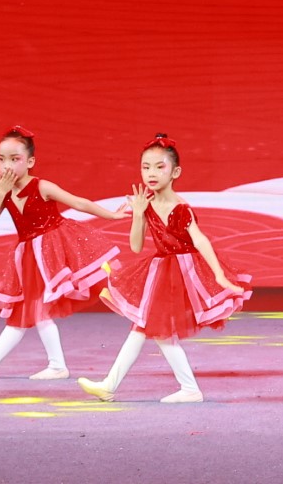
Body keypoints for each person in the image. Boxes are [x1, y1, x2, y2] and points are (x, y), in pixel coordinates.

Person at [79, 134, 251, 403]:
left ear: (175, 172)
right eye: (146, 167)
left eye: (160, 167)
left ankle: (185, 389)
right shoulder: (146, 205)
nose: (151, 173)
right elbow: (136, 246)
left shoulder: (181, 208)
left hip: (182, 273)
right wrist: (138, 213)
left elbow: (200, 240)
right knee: (145, 327)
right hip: (160, 270)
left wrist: (218, 274)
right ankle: (112, 386)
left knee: (154, 329)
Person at [0, 126, 125, 380]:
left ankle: (56, 366)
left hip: (51, 253)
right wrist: (0, 192)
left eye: (15, 159)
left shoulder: (42, 186)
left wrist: (111, 215)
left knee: (38, 310)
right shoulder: (5, 192)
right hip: (28, 257)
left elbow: (78, 202)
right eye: (1, 159)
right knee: (23, 312)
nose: (7, 166)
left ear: (30, 162)